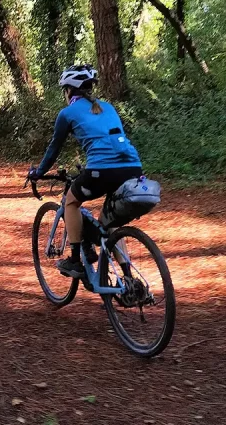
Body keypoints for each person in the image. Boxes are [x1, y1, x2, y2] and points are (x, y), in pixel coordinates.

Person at [28, 64, 142, 278]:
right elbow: (109, 142)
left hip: (102, 170)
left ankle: (74, 260)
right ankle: (129, 279)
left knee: (71, 202)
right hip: (133, 167)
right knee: (107, 223)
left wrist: (38, 172)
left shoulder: (67, 113)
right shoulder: (108, 107)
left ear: (69, 90)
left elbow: (53, 149)